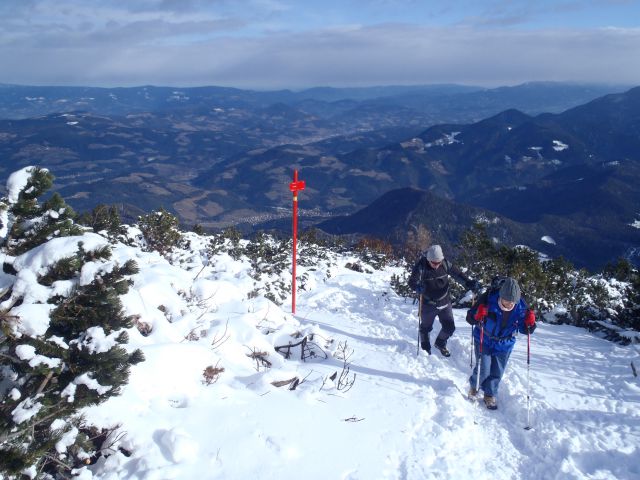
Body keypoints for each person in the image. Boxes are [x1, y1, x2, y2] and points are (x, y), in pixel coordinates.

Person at [466, 277, 536, 410]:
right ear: (500, 296)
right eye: (506, 300)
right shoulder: (488, 300)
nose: (509, 303)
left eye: (512, 301)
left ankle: (489, 394)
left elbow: (525, 330)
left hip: (505, 344)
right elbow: (470, 318)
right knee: (484, 369)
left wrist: (530, 324)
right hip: (484, 339)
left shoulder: (521, 308)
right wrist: (478, 315)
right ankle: (474, 388)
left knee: (497, 371)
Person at [409, 244, 479, 357]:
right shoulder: (421, 266)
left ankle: (440, 343)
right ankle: (425, 347)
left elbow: (458, 274)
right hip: (428, 303)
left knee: (449, 327)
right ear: (428, 259)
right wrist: (417, 287)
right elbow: (412, 281)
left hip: (444, 302)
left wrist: (468, 282)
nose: (436, 265)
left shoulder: (445, 264)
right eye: (433, 263)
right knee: (426, 327)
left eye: (438, 262)